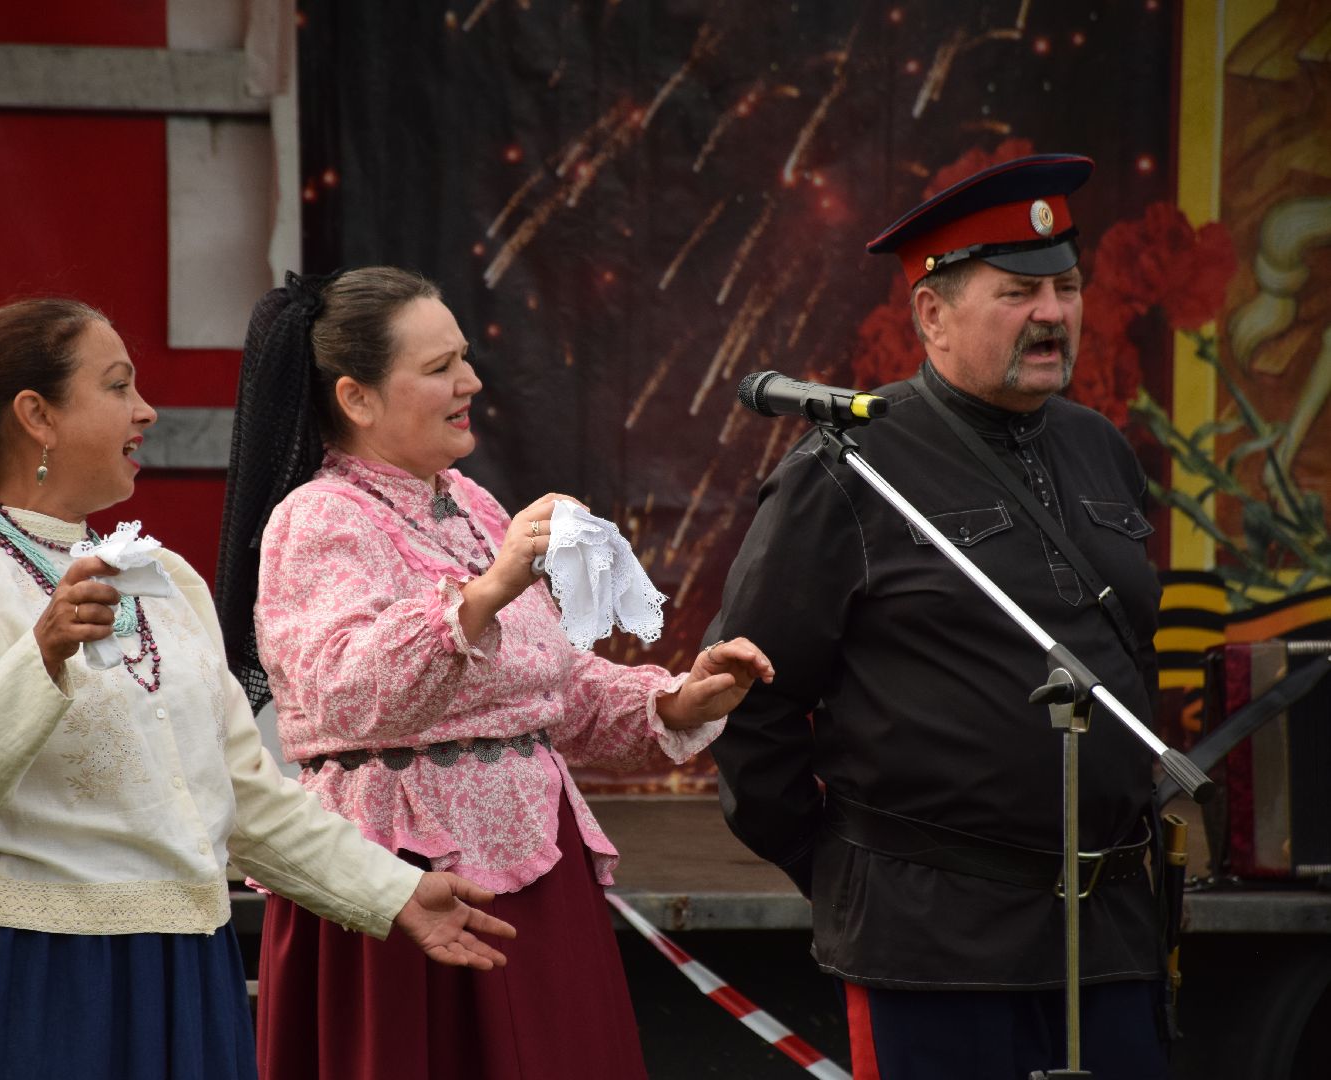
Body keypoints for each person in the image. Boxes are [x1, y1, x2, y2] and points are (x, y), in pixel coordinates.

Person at [0, 297, 515, 1080]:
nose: (146, 410)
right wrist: (39, 655)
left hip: (180, 976)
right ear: (37, 415)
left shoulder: (163, 580)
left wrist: (393, 893)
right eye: (116, 387)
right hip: (22, 975)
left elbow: (242, 794)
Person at [216, 266, 774, 1080]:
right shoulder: (317, 518)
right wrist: (479, 598)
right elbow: (346, 690)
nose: (469, 381)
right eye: (439, 367)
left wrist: (677, 696)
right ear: (357, 398)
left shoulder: (469, 504)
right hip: (401, 878)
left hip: (534, 868)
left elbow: (540, 688)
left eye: (465, 359)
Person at [708, 153, 1169, 1079]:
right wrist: (860, 876)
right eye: (1017, 292)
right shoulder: (848, 467)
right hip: (933, 947)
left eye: (1067, 287)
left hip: (1109, 940)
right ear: (931, 313)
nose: (1052, 314)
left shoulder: (1101, 448)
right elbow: (747, 703)